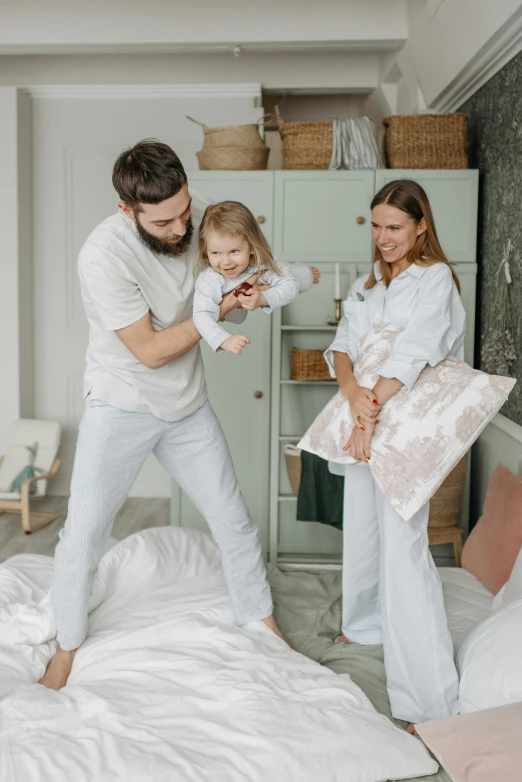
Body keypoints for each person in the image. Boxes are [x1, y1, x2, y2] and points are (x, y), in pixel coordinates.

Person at [39, 139, 291, 690]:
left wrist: (247, 294)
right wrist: (221, 310)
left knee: (233, 520)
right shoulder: (102, 256)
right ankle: (66, 647)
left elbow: (228, 294)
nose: (181, 229)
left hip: (188, 405)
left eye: (184, 212)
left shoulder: (193, 211)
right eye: (164, 222)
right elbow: (150, 351)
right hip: (120, 403)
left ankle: (262, 621)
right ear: (127, 210)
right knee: (83, 534)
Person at [324, 179, 466, 727]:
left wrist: (369, 409)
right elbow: (341, 349)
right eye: (378, 226)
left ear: (421, 225)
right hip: (364, 414)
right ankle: (363, 625)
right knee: (361, 527)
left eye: (396, 227)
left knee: (403, 547)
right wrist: (355, 398)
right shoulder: (367, 286)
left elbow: (413, 355)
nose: (384, 237)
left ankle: (428, 700)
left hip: (404, 424)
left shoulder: (436, 282)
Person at [194, 200, 320, 355]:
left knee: (303, 278)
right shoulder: (210, 279)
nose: (225, 262)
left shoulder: (262, 263)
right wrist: (224, 340)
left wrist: (262, 299)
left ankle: (305, 271)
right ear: (206, 250)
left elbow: (290, 285)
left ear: (252, 246)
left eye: (234, 251)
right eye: (216, 253)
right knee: (235, 314)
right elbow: (201, 314)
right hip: (237, 307)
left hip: (264, 276)